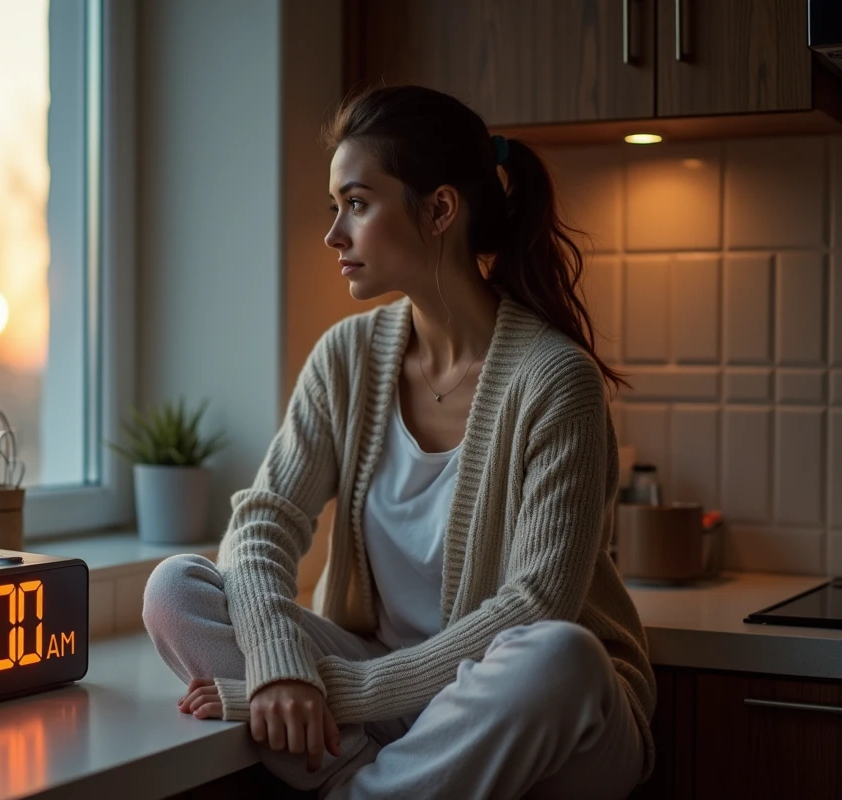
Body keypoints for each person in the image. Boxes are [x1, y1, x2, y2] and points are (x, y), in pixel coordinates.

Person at [142, 85, 654, 799]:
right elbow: (262, 526)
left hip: (529, 706)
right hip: (389, 686)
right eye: (335, 206)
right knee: (175, 588)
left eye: (356, 203)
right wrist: (280, 669)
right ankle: (373, 783)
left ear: (440, 210)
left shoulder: (554, 379)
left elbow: (534, 606)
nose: (334, 234)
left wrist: (328, 689)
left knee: (561, 656)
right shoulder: (346, 356)